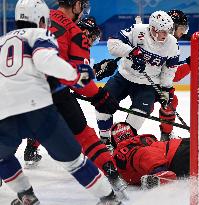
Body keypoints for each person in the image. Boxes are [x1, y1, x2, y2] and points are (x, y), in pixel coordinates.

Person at [0, 1, 122, 205]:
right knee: (77, 153)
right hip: (43, 99)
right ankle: (110, 193)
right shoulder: (61, 31)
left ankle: (26, 195)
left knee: (3, 156)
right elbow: (50, 62)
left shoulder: (3, 40)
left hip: (6, 103)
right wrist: (94, 93)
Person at [46, 0, 127, 195]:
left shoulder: (37, 16)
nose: (82, 13)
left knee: (10, 130)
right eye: (82, 8)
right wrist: (100, 95)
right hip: (53, 91)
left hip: (16, 85)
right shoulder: (75, 32)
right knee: (85, 135)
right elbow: (79, 79)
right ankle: (111, 174)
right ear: (76, 5)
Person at [94, 10, 179, 145]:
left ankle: (123, 144)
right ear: (153, 28)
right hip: (123, 77)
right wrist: (131, 52)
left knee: (138, 116)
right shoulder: (137, 31)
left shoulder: (172, 44)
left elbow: (169, 70)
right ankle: (104, 139)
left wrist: (165, 89)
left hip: (148, 84)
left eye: (168, 30)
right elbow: (112, 44)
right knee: (102, 104)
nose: (166, 34)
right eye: (163, 31)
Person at [110, 122, 199, 189]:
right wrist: (159, 171)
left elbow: (146, 154)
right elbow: (145, 155)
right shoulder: (130, 149)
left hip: (176, 152)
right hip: (176, 155)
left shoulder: (128, 151)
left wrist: (159, 171)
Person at [158, 9, 192, 141]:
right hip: (143, 82)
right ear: (172, 27)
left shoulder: (168, 41)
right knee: (170, 100)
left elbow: (170, 73)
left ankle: (165, 135)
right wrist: (191, 64)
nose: (183, 32)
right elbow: (174, 76)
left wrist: (190, 63)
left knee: (171, 99)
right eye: (181, 28)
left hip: (150, 80)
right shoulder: (165, 43)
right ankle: (165, 135)